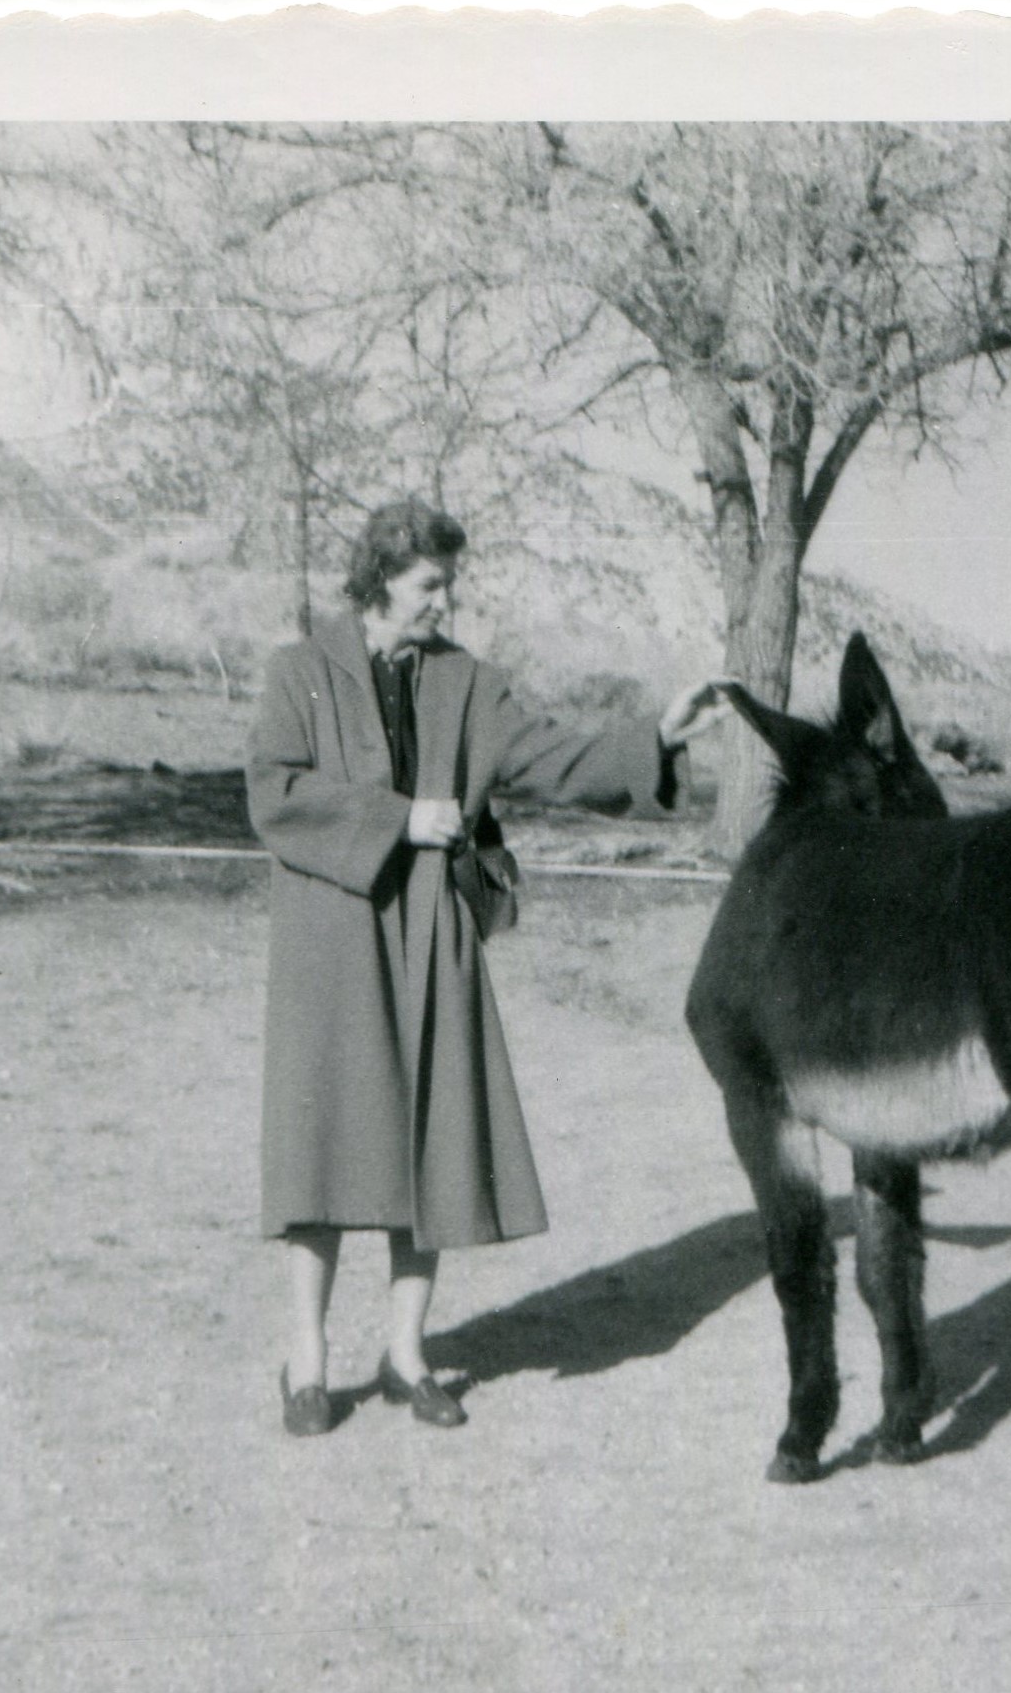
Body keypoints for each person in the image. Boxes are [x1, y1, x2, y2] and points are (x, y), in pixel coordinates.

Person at [247, 497, 731, 1436]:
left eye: (449, 586)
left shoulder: (467, 685)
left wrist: (657, 738)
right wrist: (399, 819)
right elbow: (275, 792)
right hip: (331, 944)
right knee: (324, 1147)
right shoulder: (296, 673)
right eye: (430, 585)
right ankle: (305, 1361)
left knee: (431, 1140)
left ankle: (405, 1356)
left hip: (434, 938)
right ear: (381, 577)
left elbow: (555, 756)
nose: (444, 603)